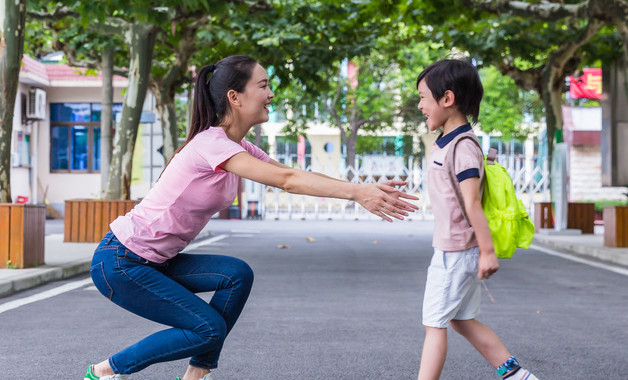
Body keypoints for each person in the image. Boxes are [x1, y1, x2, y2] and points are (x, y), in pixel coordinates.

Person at [85, 54, 419, 380]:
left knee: (236, 274)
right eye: (263, 85)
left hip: (154, 260)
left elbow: (292, 173)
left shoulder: (237, 146)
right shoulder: (211, 144)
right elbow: (288, 182)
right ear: (235, 97)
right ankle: (104, 371)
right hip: (121, 262)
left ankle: (196, 374)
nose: (271, 93)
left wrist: (362, 188)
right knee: (207, 328)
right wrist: (358, 194)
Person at [415, 59, 538, 380]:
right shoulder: (449, 141)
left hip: (456, 252)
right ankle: (519, 377)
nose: (420, 105)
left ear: (447, 99)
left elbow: (472, 203)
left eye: (424, 97)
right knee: (460, 319)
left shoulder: (464, 147)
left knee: (435, 323)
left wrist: (486, 251)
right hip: (454, 249)